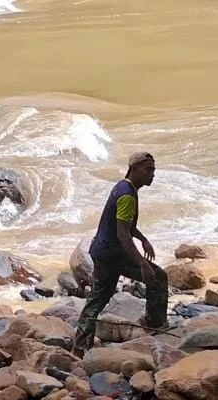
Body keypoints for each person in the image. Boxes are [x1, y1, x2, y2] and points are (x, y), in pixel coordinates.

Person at [73, 151, 170, 354]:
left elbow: (126, 226)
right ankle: (155, 325)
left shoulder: (123, 187)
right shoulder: (127, 195)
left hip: (100, 250)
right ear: (134, 169)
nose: (152, 174)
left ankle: (81, 347)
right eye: (148, 170)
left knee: (98, 298)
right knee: (158, 277)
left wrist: (143, 239)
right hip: (112, 253)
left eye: (153, 170)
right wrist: (143, 264)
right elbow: (123, 234)